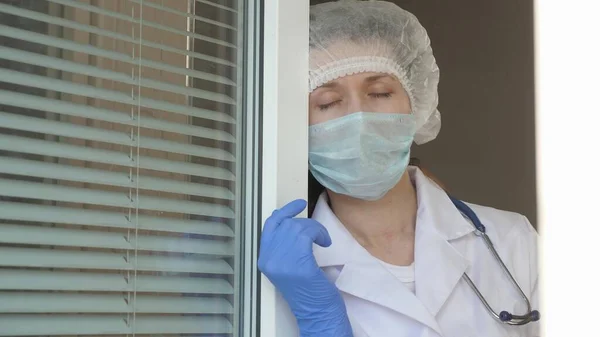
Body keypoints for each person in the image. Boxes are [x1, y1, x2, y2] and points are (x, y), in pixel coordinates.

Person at [258, 1, 540, 336]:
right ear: (294, 125)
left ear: (415, 104)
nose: (360, 118)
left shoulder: (512, 241)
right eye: (328, 102)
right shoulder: (284, 271)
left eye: (379, 93)